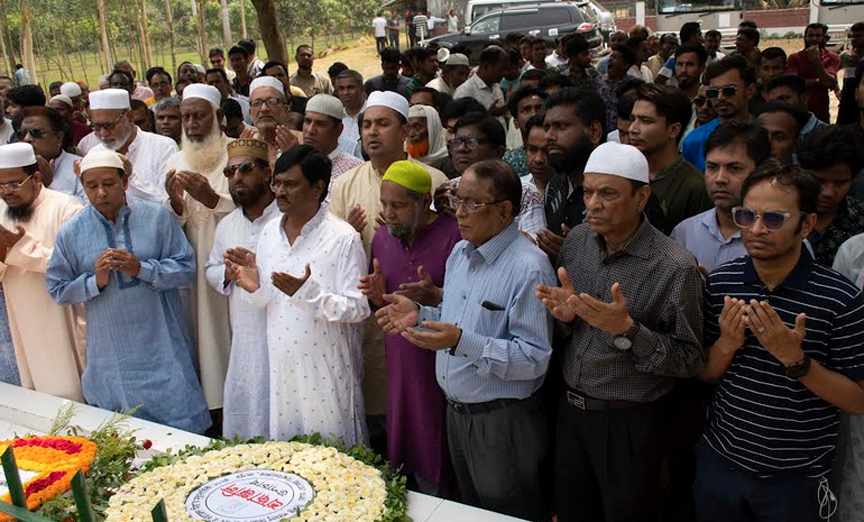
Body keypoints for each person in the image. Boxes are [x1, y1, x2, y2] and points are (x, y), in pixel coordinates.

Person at [377, 158, 555, 520]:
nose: (459, 212)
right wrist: (421, 315)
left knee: (507, 511)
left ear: (504, 211)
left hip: (502, 420)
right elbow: (455, 320)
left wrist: (461, 341)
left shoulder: (529, 268)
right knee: (472, 510)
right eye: (458, 200)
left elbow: (534, 359)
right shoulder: (460, 253)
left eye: (473, 203)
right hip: (458, 414)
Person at [536, 141, 704, 522]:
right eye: (588, 192)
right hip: (572, 413)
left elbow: (691, 360)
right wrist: (567, 319)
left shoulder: (675, 267)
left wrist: (627, 330)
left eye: (608, 194)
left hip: (631, 423)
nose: (593, 204)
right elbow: (572, 327)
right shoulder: (578, 241)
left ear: (642, 197)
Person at [695, 160, 864, 522]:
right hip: (721, 465)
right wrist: (726, 344)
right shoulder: (721, 283)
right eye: (746, 216)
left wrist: (796, 361)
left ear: (807, 224)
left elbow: (858, 399)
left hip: (797, 481)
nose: (756, 229)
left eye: (773, 219)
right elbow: (705, 374)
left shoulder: (840, 299)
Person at [45, 148, 209, 432]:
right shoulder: (71, 233)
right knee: (123, 427)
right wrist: (95, 281)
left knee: (179, 416)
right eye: (92, 186)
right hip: (111, 350)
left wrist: (141, 269)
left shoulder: (156, 217)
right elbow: (57, 288)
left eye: (109, 183)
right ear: (82, 187)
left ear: (124, 182)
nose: (101, 193)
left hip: (161, 341)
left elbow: (186, 268)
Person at [230, 145, 370, 445]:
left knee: (335, 455)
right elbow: (270, 300)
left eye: (290, 184)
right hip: (282, 367)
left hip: (328, 370)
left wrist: (308, 293)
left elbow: (358, 308)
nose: (280, 192)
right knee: (289, 453)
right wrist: (255, 287)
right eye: (277, 183)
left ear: (318, 187)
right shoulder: (270, 232)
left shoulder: (342, 237)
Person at [358, 160, 461, 495]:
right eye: (384, 204)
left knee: (439, 449)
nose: (388, 213)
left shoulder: (454, 236)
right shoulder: (382, 239)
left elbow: (470, 302)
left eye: (398, 205)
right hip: (400, 365)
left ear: (424, 201)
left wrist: (437, 294)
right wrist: (377, 298)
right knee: (403, 450)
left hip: (442, 365)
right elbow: (384, 305)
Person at [163, 84, 234, 418]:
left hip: (231, 267)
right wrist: (175, 203)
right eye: (186, 117)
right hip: (191, 268)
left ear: (218, 116)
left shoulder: (237, 155)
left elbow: (259, 210)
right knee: (198, 335)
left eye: (199, 116)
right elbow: (171, 220)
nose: (191, 124)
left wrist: (213, 199)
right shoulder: (176, 160)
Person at [204, 138, 279, 440]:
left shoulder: (286, 218)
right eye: (230, 172)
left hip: (281, 333)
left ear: (266, 173)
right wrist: (229, 272)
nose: (237, 177)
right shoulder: (227, 225)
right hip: (245, 336)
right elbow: (211, 269)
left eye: (245, 169)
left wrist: (257, 269)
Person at [0, 142, 83, 400]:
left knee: (70, 391)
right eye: (0, 185)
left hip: (61, 316)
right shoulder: (2, 212)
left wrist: (19, 249)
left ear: (36, 178)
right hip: (21, 321)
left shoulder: (67, 208)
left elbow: (73, 265)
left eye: (14, 184)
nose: (6, 192)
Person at [672, 121, 771, 272]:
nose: (720, 179)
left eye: (734, 168)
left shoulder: (778, 237)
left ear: (760, 171)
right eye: (712, 167)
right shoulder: (685, 233)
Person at [442, 113, 546, 237]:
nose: (461, 148)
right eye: (457, 142)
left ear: (498, 152)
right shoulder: (448, 190)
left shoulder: (525, 193)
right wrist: (436, 216)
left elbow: (532, 242)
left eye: (471, 142)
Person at [628, 84, 711, 234]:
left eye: (645, 121)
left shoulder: (695, 187)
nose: (633, 129)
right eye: (632, 119)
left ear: (673, 130)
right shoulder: (624, 173)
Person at [539, 87, 605, 260]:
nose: (549, 136)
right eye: (547, 128)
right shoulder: (555, 186)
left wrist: (579, 257)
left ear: (594, 132)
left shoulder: (621, 192)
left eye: (561, 126)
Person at [84, 89, 179, 202]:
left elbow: (169, 203)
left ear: (129, 116)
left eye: (109, 125)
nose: (103, 134)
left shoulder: (163, 147)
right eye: (96, 126)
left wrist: (131, 177)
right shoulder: (94, 154)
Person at [796, 125, 864, 266]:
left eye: (840, 183)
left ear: (853, 180)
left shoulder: (860, 220)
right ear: (799, 171)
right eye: (819, 181)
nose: (829, 192)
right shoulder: (778, 216)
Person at [682, 56, 756, 172]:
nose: (720, 97)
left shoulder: (767, 133)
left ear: (750, 91)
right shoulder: (694, 141)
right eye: (713, 92)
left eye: (729, 91)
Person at [17, 107, 85, 204]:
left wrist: (46, 188)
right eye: (21, 134)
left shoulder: (82, 166)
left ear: (58, 138)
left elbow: (88, 209)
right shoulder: (13, 169)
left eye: (36, 133)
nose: (26, 139)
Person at [302, 94, 363, 193]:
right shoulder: (294, 161)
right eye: (307, 121)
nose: (310, 130)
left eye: (320, 124)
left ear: (338, 129)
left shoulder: (356, 171)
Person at [787, 23, 840, 124]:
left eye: (818, 35)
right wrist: (819, 81)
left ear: (825, 38)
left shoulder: (832, 58)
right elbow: (794, 83)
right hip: (800, 108)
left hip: (821, 109)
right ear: (805, 37)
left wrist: (816, 61)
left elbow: (829, 82)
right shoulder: (795, 58)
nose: (814, 39)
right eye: (810, 35)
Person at [247, 77, 302, 163]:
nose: (264, 109)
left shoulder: (302, 141)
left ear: (286, 109)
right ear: (250, 113)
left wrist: (295, 154)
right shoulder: (246, 145)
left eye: (272, 102)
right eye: (256, 103)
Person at [454, 45, 509, 124]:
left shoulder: (496, 86)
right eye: (501, 69)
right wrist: (488, 115)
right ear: (486, 66)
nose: (505, 73)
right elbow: (458, 124)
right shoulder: (465, 92)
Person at [764, 74, 827, 139]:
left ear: (803, 99)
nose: (777, 105)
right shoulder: (768, 137)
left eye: (783, 99)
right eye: (772, 102)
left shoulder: (826, 136)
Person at [503, 86, 547, 178]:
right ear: (516, 122)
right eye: (526, 110)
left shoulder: (559, 153)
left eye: (539, 108)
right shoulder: (510, 160)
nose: (534, 114)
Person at [597, 45, 639, 132]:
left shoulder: (633, 85)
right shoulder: (599, 81)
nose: (610, 59)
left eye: (615, 57)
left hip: (623, 131)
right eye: (611, 56)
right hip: (602, 131)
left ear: (625, 65)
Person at [334, 70, 366, 159]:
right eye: (341, 88)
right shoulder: (336, 118)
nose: (346, 93)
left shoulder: (372, 114)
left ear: (362, 88)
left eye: (350, 87)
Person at [406, 104, 448, 171]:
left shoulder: (451, 161)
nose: (411, 134)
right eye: (408, 128)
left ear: (432, 129)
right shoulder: (402, 157)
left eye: (417, 127)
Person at [522, 114, 552, 196]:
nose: (538, 159)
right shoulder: (517, 190)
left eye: (546, 151)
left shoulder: (571, 191)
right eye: (532, 149)